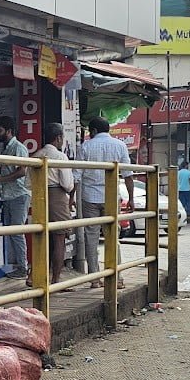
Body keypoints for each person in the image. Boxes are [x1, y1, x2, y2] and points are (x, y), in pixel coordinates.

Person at [78, 118, 131, 289]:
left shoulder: (85, 146)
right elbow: (128, 174)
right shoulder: (120, 145)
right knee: (112, 237)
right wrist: (130, 197)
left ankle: (95, 278)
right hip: (111, 196)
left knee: (91, 238)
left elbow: (76, 175)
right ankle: (117, 277)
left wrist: (71, 197)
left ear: (92, 131)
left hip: (89, 197)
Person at [0, 116, 31, 279]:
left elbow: (21, 171)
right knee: (12, 231)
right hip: (9, 195)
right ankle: (17, 265)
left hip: (18, 195)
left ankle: (23, 267)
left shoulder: (18, 147)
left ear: (9, 131)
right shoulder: (6, 148)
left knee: (17, 231)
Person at [34, 123, 75, 286]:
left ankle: (34, 276)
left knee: (40, 239)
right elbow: (67, 184)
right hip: (57, 197)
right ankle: (56, 280)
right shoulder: (60, 157)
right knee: (59, 240)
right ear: (59, 138)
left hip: (39, 196)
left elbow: (28, 183)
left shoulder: (36, 155)